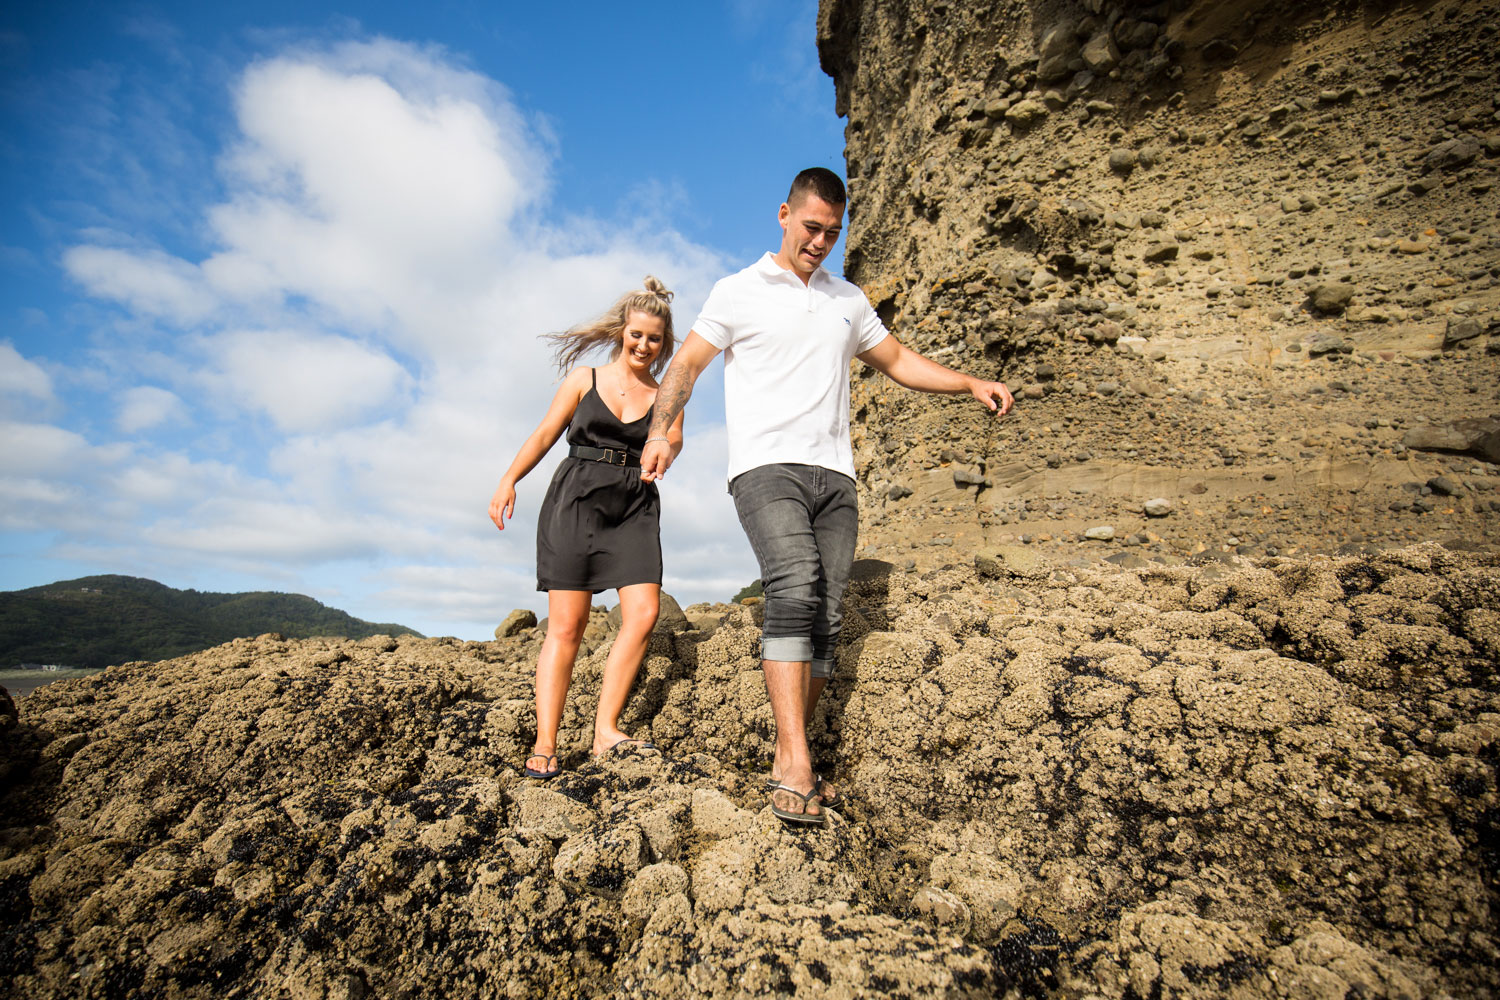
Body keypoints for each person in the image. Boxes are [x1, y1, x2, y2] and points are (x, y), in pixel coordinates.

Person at [639, 169, 1013, 825]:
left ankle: (794, 752)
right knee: (795, 581)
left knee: (827, 618)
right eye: (812, 228)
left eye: (832, 234)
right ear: (784, 214)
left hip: (835, 476)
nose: (820, 243)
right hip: (765, 468)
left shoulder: (848, 298)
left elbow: (897, 361)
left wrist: (967, 383)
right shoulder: (738, 290)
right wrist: (665, 428)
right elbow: (689, 363)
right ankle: (794, 763)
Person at [489, 277, 685, 779]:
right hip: (576, 500)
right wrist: (509, 479)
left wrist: (667, 446)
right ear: (623, 332)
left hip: (635, 505)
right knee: (567, 628)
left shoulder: (668, 394)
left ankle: (605, 731)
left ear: (664, 344)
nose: (644, 345)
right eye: (636, 334)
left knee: (643, 614)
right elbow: (544, 432)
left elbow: (673, 439)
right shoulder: (584, 378)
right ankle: (546, 742)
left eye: (654, 339)